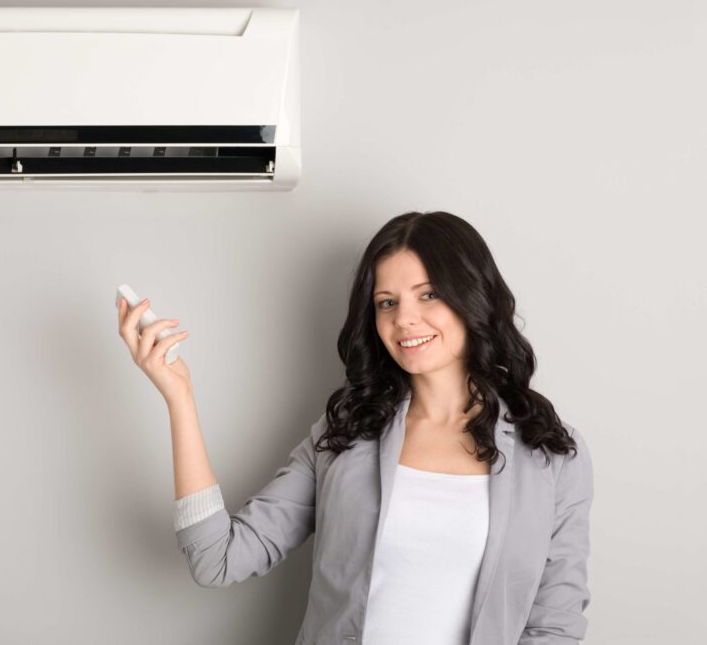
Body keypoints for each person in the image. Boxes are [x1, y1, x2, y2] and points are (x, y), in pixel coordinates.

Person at [116, 210, 593, 645]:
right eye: (386, 302)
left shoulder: (550, 454)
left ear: (472, 297)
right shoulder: (347, 433)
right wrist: (179, 397)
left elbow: (555, 625)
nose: (405, 319)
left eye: (428, 294)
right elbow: (218, 559)